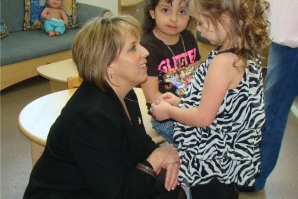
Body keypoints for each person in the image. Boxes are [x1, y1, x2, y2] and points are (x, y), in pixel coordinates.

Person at [23, 15, 186, 199]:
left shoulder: (125, 92)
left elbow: (139, 141)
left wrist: (163, 153)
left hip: (103, 183)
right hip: (72, 194)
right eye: (133, 48)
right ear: (107, 65)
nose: (145, 51)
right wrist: (156, 160)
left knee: (171, 188)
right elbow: (116, 195)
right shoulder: (92, 116)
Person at [150, 0, 270, 199]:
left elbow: (204, 118)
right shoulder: (247, 53)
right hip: (227, 159)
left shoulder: (223, 62)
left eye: (203, 23)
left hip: (211, 161)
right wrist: (180, 101)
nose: (200, 31)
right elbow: (221, 105)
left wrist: (170, 112)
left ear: (224, 18)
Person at [254, 0, 298, 191]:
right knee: (271, 111)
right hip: (282, 44)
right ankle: (255, 176)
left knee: (273, 112)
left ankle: (255, 177)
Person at [141, 0, 201, 144]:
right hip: (166, 117)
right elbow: (152, 96)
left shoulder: (188, 37)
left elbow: (199, 77)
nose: (174, 19)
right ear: (152, 11)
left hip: (190, 108)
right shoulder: (148, 47)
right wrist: (183, 108)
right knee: (197, 144)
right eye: (166, 10)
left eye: (182, 12)